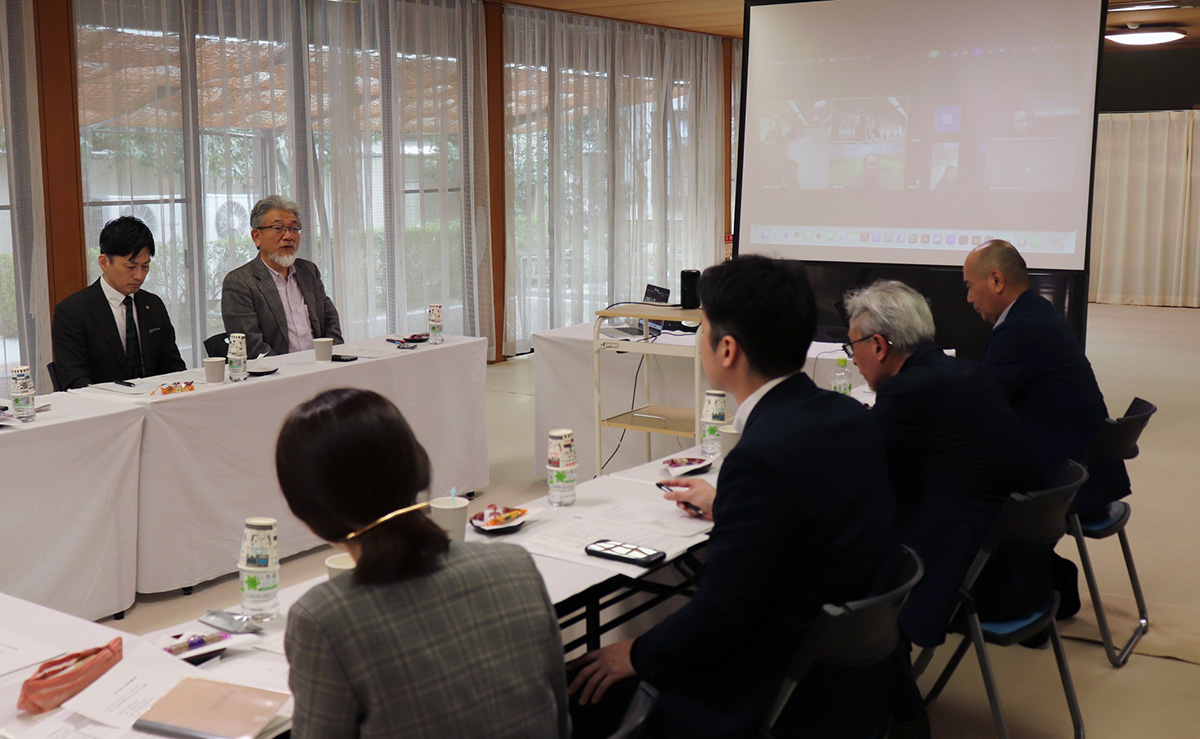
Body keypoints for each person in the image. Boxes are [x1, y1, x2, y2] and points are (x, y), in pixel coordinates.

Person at [568, 255, 903, 738]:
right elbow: (812, 519)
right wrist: (725, 502)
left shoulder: (761, 458)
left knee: (577, 686)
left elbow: (720, 614)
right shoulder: (848, 416)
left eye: (702, 328)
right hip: (858, 672)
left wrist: (635, 651)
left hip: (776, 686)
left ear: (727, 349)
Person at [277, 388, 569, 738]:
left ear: (306, 513)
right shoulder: (514, 565)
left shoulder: (324, 618)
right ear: (418, 467)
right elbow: (559, 719)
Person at [844, 280, 1048, 648]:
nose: (852, 358)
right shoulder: (964, 371)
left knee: (840, 535)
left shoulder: (906, 391)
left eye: (852, 346)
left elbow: (860, 470)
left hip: (972, 574)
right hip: (1020, 563)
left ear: (878, 345)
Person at [962, 240, 1129, 519]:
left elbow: (980, 405)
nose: (968, 299)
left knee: (952, 481)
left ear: (996, 280)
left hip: (1065, 485)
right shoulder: (1037, 310)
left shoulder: (1019, 329)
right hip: (1084, 469)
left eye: (969, 286)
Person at [51, 216, 186, 389]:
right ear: (104, 262)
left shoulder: (153, 305)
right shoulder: (73, 312)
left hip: (154, 405)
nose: (139, 275)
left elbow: (173, 367)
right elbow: (74, 379)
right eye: (130, 267)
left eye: (145, 266)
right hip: (104, 409)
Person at [221, 195, 342, 357]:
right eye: (278, 228)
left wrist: (330, 358)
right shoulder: (239, 282)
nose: (288, 236)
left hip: (321, 367)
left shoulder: (308, 271)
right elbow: (251, 345)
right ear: (257, 237)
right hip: (277, 376)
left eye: (293, 228)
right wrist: (291, 373)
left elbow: (330, 322)